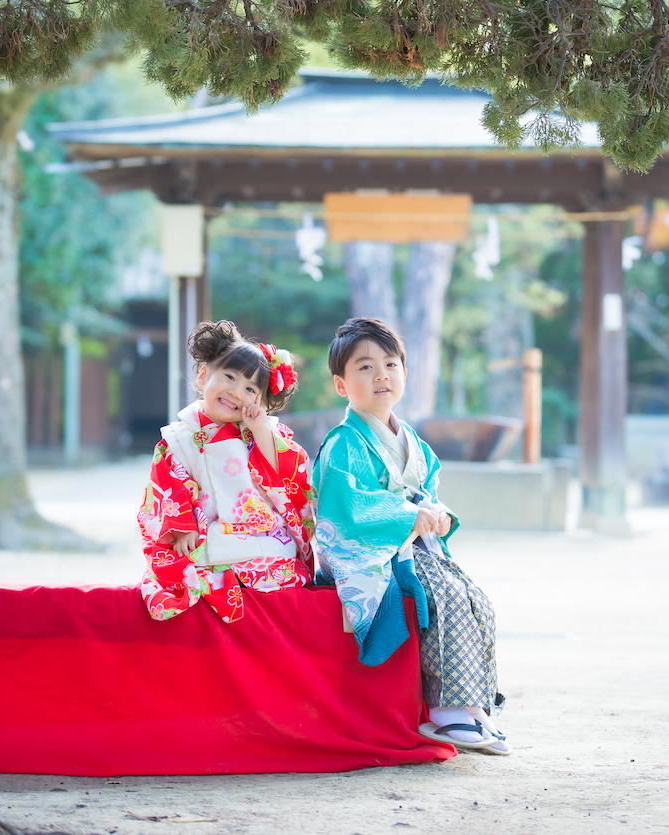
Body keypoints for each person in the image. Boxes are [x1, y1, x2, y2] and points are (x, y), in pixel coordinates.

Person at [313, 316, 510, 755]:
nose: (380, 374)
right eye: (364, 366)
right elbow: (344, 507)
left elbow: (429, 492)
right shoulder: (344, 442)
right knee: (441, 593)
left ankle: (476, 708)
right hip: (369, 551)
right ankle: (447, 713)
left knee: (472, 594)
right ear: (340, 385)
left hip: (410, 545)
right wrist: (407, 514)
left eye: (390, 363)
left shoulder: (414, 441)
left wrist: (436, 514)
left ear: (404, 371)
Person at [138, 320, 314, 624]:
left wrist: (260, 431)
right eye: (229, 377)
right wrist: (184, 528)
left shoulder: (264, 430)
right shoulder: (179, 438)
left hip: (260, 535)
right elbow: (168, 485)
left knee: (281, 578)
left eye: (249, 388)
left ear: (260, 400)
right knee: (187, 572)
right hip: (205, 536)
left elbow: (286, 476)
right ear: (205, 374)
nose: (235, 392)